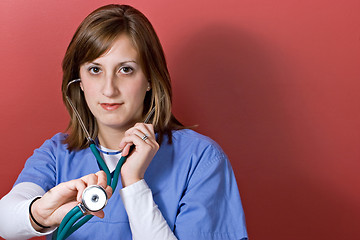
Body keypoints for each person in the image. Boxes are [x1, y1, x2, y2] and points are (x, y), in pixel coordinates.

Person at [0, 4, 248, 240]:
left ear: (150, 78)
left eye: (126, 69)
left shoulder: (201, 159)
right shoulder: (57, 154)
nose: (109, 90)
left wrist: (134, 183)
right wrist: (40, 214)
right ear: (79, 82)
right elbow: (5, 220)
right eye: (95, 70)